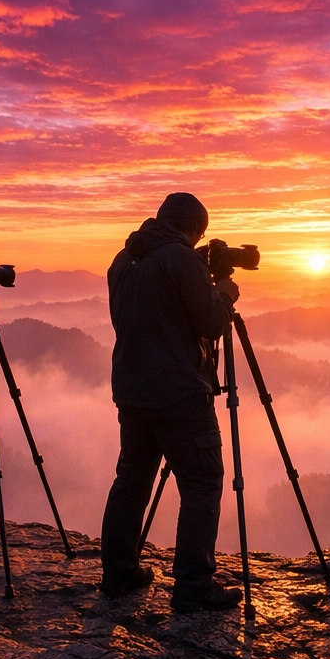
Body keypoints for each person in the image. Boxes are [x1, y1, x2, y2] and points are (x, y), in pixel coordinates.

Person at [99, 192, 243, 613]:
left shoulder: (122, 261)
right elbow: (210, 322)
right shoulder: (181, 261)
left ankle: (118, 571)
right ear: (195, 228)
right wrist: (225, 292)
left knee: (132, 480)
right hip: (180, 392)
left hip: (132, 389)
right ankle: (194, 585)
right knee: (202, 483)